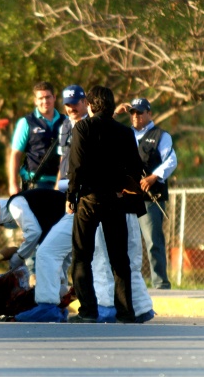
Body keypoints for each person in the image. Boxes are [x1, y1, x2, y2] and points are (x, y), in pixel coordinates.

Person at [66, 85, 143, 323]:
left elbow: (76, 166)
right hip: (115, 199)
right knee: (120, 259)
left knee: (81, 257)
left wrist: (71, 196)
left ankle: (88, 311)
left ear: (89, 105)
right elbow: (135, 168)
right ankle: (126, 312)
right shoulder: (124, 132)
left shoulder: (83, 127)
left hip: (89, 199)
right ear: (111, 106)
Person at [115, 98, 177, 289]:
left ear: (149, 113)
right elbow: (104, 129)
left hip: (150, 197)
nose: (135, 116)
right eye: (132, 112)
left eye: (140, 112)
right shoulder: (124, 133)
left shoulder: (160, 135)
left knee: (152, 241)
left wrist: (154, 176)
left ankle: (160, 283)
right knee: (122, 241)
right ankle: (127, 284)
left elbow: (171, 160)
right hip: (126, 197)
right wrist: (115, 113)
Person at [8, 81, 67, 195]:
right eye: (40, 98)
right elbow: (15, 154)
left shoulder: (66, 121)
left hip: (62, 183)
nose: (45, 101)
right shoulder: (25, 123)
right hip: (36, 182)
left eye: (48, 97)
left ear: (54, 97)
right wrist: (13, 184)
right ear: (35, 101)